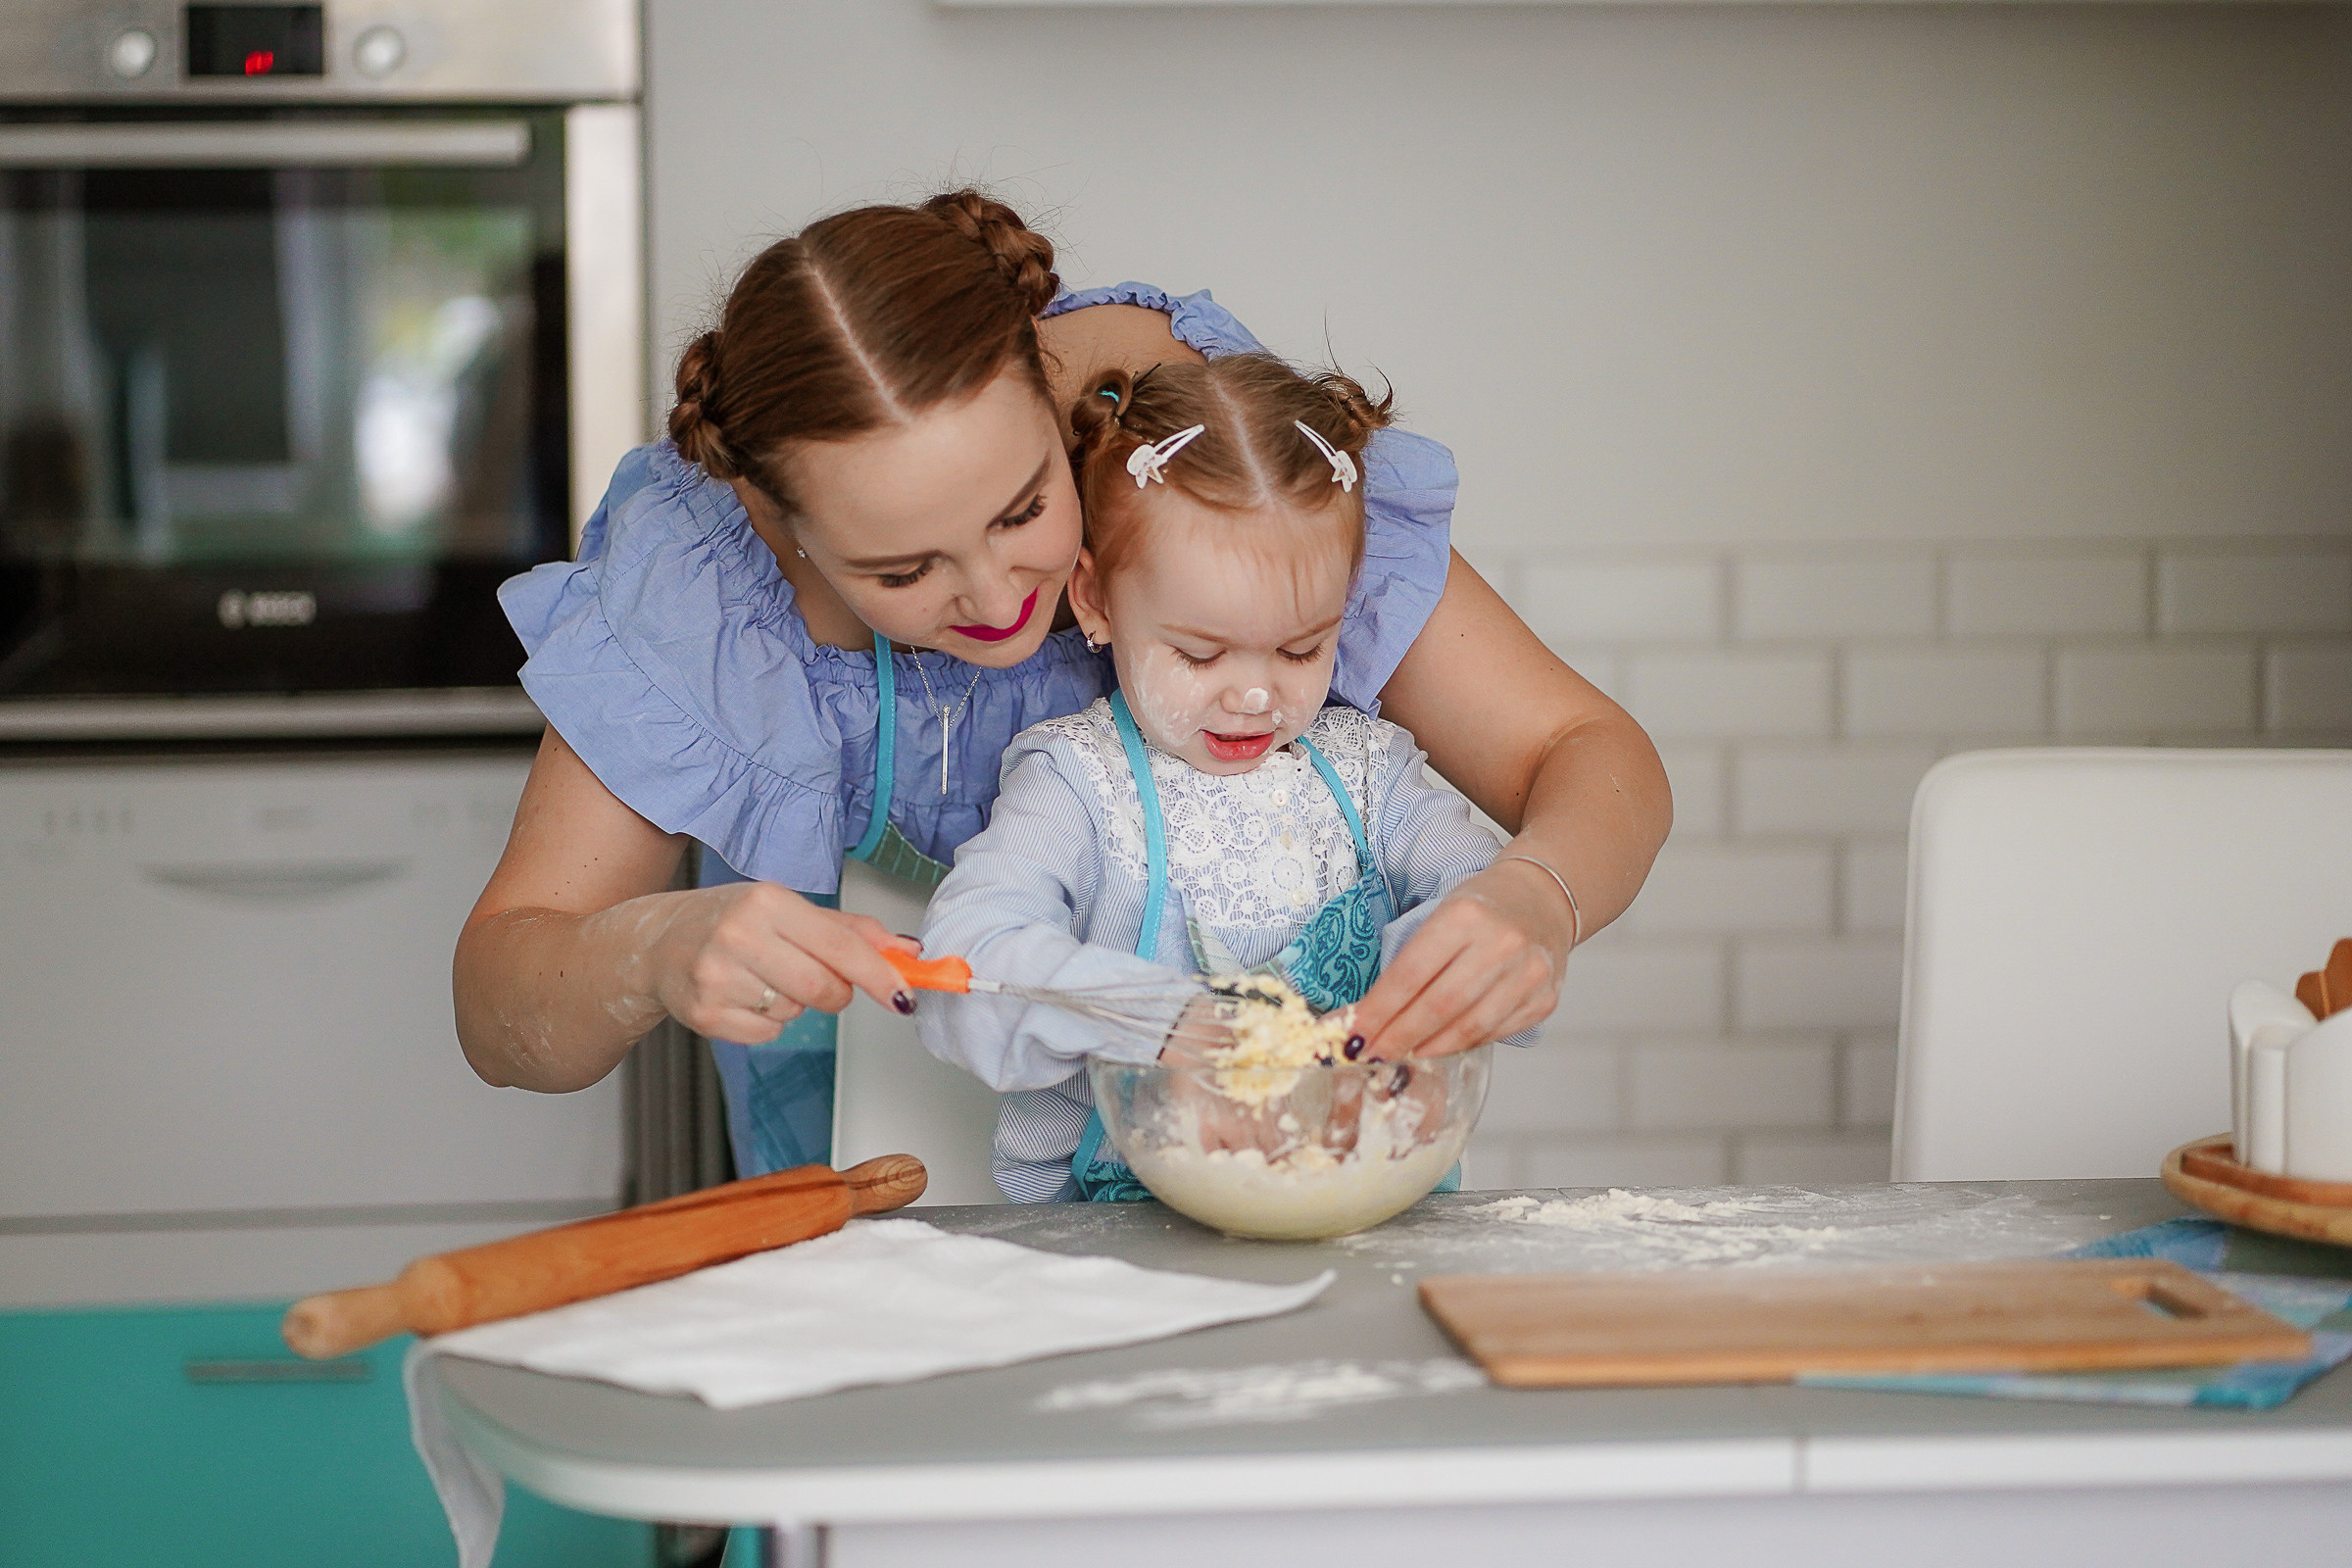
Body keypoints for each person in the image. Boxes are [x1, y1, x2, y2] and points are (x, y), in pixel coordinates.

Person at [453, 189, 1669, 1178]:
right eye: (902, 570)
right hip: (856, 1208)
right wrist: (654, 946)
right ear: (776, 519)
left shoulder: (1173, 442)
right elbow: (499, 1008)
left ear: (1051, 391)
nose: (996, 597)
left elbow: (1588, 750)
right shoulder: (702, 591)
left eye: (1024, 508)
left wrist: (1537, 896)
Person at [917, 355, 1542, 1201]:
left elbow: (1491, 903)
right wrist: (1157, 1019)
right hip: (1117, 1226)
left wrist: (1438, 987)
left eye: (1300, 649)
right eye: (1200, 653)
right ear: (1096, 600)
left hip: (1362, 1195)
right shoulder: (1074, 784)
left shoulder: (1372, 776)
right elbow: (964, 961)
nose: (1254, 696)